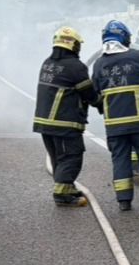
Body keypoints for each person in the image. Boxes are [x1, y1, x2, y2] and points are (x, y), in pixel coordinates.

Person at [91, 20, 139, 211]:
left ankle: (124, 202)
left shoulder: (100, 63)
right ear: (125, 38)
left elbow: (94, 92)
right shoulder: (138, 56)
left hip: (114, 124)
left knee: (120, 159)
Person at [33, 26, 99, 207]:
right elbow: (89, 94)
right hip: (63, 122)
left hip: (44, 122)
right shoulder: (75, 67)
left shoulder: (47, 63)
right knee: (71, 156)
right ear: (73, 45)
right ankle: (62, 194)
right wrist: (102, 103)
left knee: (58, 157)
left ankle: (66, 186)